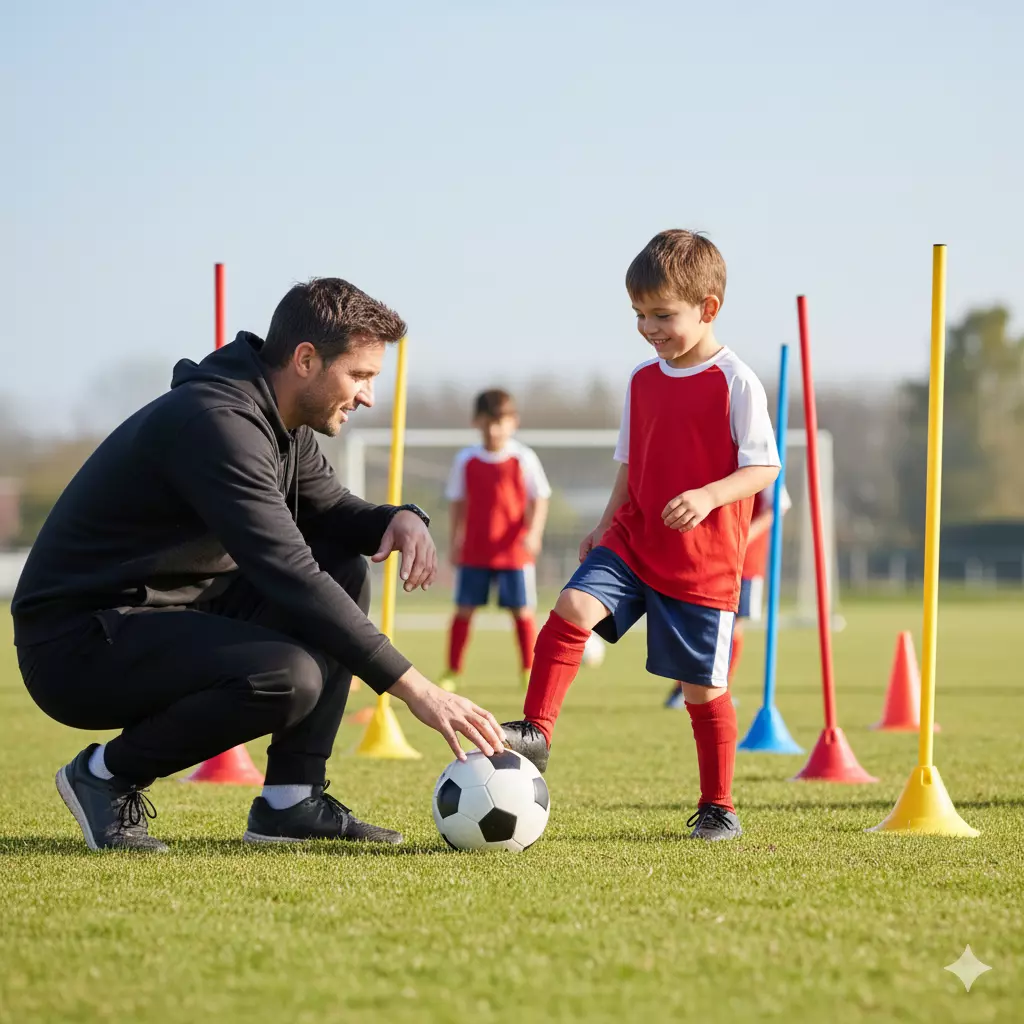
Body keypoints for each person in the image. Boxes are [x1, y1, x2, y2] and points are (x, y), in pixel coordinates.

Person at [12, 277, 505, 853]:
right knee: (286, 675)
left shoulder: (277, 421)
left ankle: (290, 802)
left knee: (344, 565)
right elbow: (287, 570)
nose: (368, 396)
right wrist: (417, 688)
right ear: (305, 359)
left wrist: (398, 517)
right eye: (361, 375)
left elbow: (331, 512)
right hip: (78, 640)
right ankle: (103, 775)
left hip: (164, 612)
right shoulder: (218, 423)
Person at [500, 230, 780, 840]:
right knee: (572, 605)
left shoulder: (736, 381)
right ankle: (537, 731)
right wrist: (605, 522)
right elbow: (631, 463)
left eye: (662, 315)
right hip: (634, 536)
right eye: (638, 315)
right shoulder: (640, 380)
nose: (648, 327)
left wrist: (709, 496)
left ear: (708, 308)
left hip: (702, 561)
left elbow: (764, 468)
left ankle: (719, 805)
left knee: (702, 690)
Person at [438, 389, 551, 692]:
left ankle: (528, 670)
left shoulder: (523, 458)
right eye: (488, 422)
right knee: (464, 610)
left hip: (513, 551)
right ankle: (452, 671)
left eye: (500, 422)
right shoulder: (466, 459)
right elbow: (457, 502)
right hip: (475, 550)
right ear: (477, 422)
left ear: (514, 422)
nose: (494, 429)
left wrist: (534, 534)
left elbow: (540, 497)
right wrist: (455, 541)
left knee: (522, 612)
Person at [663, 482, 790, 708]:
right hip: (709, 556)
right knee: (700, 623)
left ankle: (719, 689)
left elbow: (778, 506)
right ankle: (682, 689)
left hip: (746, 563)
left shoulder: (762, 460)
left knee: (732, 626)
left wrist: (744, 536)